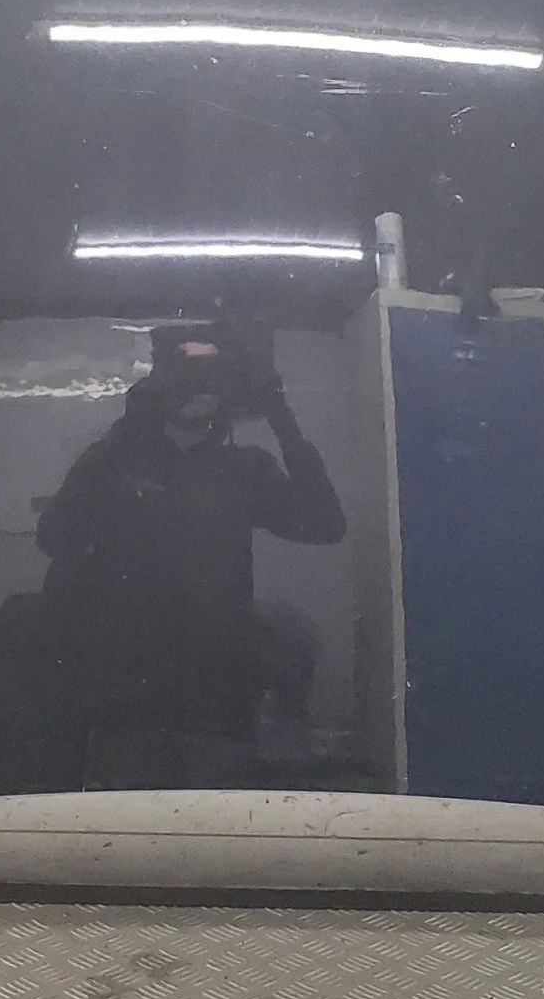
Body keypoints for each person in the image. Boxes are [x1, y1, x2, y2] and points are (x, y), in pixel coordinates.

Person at [34, 325, 344, 784]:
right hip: (124, 695)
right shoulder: (114, 461)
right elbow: (54, 538)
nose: (198, 390)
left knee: (214, 818)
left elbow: (325, 525)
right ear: (161, 384)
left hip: (218, 695)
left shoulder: (244, 470)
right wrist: (125, 435)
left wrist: (281, 418)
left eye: (211, 377)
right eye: (185, 375)